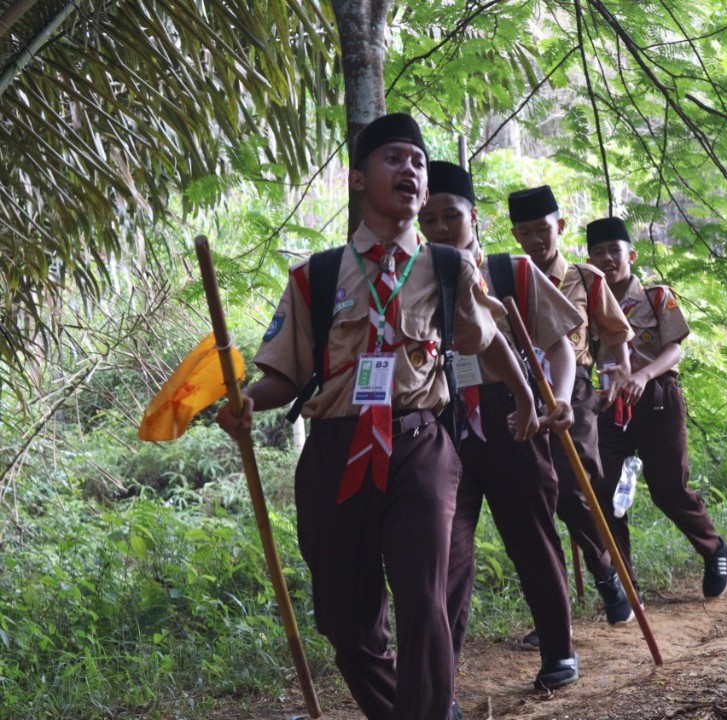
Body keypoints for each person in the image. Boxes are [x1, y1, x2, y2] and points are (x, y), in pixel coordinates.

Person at [216, 114, 538, 720]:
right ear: (359, 178)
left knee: (424, 600)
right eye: (394, 158)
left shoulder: (448, 267)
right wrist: (247, 402)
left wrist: (524, 396)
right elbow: (288, 374)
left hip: (419, 445)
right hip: (337, 452)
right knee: (345, 620)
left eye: (417, 162)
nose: (410, 170)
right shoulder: (317, 275)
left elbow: (488, 339)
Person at [417, 162, 584, 691]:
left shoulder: (513, 272)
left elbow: (559, 345)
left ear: (474, 216)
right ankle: (440, 679)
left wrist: (558, 396)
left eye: (451, 216)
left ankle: (558, 650)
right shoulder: (414, 278)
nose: (441, 228)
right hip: (442, 424)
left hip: (515, 419)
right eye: (428, 219)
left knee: (532, 538)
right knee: (446, 552)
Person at [507, 185, 637, 648]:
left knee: (573, 485)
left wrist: (619, 370)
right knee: (534, 499)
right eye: (525, 232)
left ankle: (606, 571)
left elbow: (616, 332)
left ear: (559, 226)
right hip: (524, 391)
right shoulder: (509, 275)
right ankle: (552, 614)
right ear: (515, 235)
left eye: (542, 229)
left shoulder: (585, 278)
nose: (535, 239)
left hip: (575, 389)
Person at [586, 216, 727, 598]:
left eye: (614, 250)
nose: (607, 258)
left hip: (656, 398)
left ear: (631, 255)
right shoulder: (587, 305)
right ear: (588, 260)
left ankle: (714, 548)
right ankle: (626, 587)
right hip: (609, 403)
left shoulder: (655, 296)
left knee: (667, 488)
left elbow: (675, 349)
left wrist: (643, 375)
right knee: (604, 491)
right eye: (598, 252)